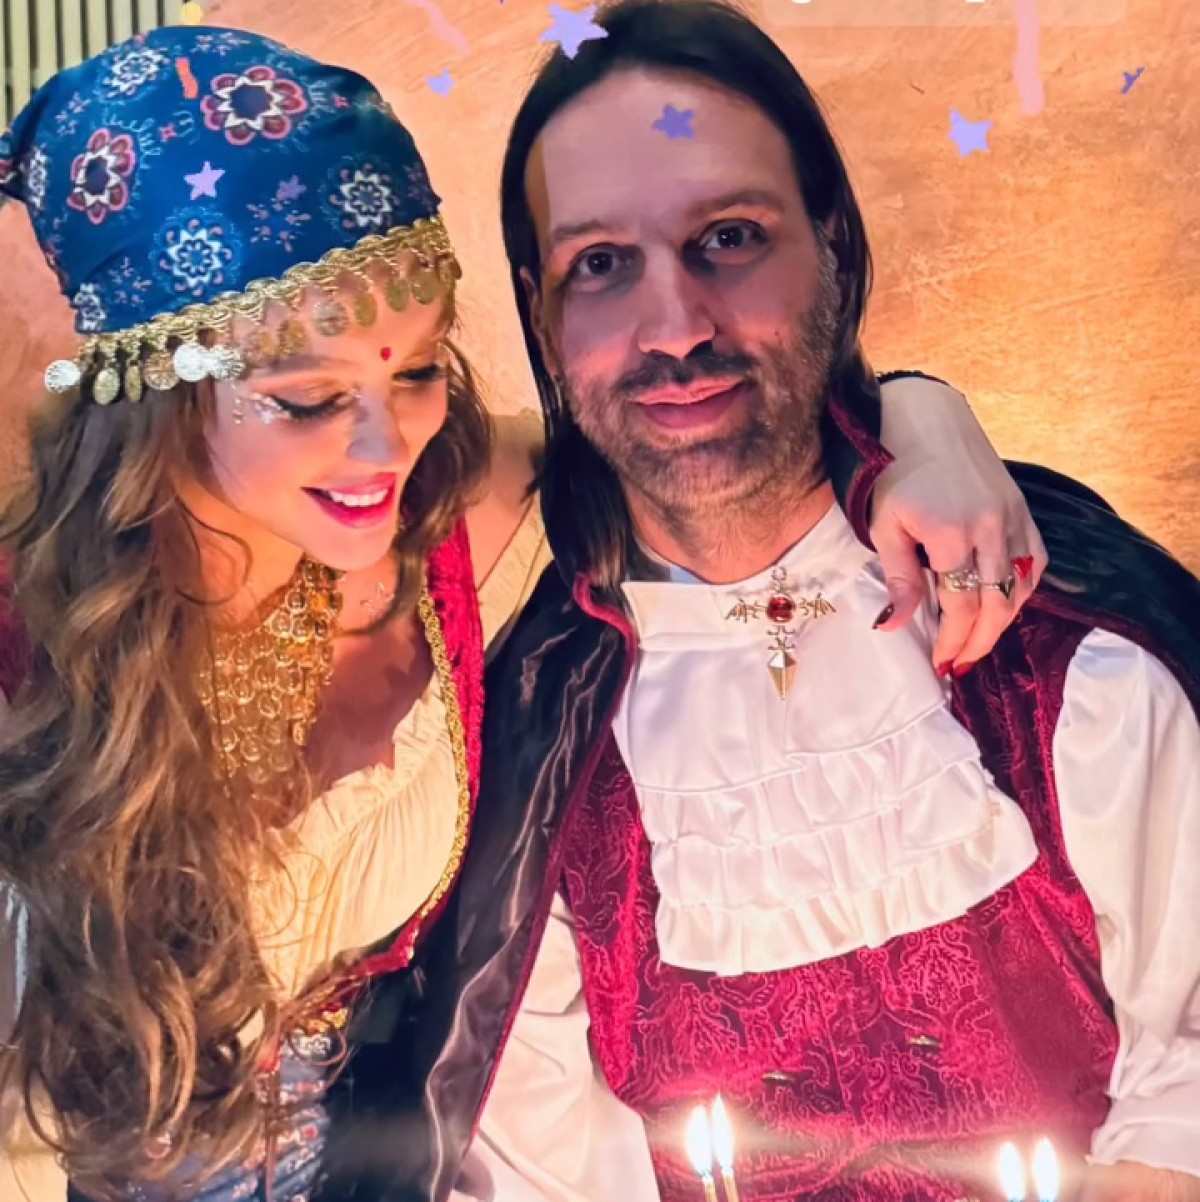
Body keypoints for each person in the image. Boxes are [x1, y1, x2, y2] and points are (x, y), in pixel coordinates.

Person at [0, 19, 1056, 1202]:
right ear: (153, 391)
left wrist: (924, 419)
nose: (382, 446)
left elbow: (701, 414)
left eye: (413, 371)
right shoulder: (29, 651)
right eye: (305, 398)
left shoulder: (463, 510)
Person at [307, 3, 1200, 1202]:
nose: (676, 329)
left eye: (728, 237)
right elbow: (540, 1160)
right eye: (601, 264)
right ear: (542, 314)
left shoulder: (1055, 639)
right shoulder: (533, 716)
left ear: (833, 242)